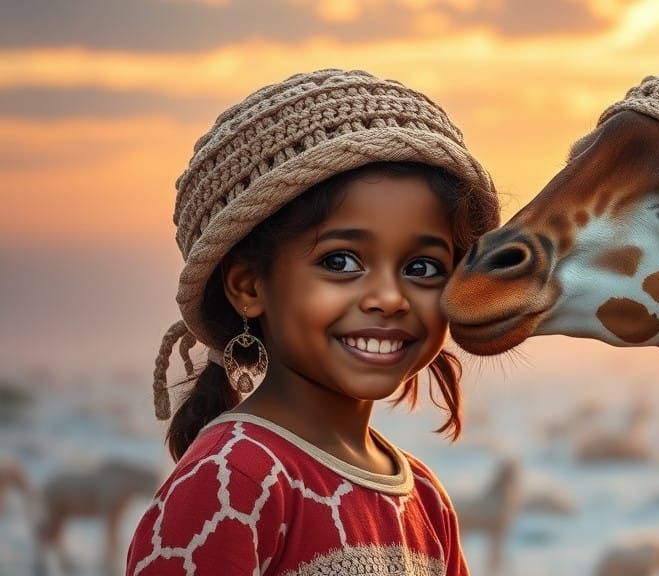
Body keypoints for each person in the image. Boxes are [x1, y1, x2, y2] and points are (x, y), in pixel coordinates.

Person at [126, 69, 499, 575]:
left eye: (423, 268)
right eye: (341, 261)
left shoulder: (426, 500)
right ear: (248, 286)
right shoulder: (231, 480)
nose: (390, 298)